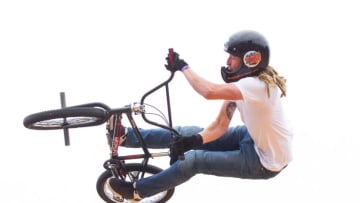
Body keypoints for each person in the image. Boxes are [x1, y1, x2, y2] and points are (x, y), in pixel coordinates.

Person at [107, 30, 293, 199]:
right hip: (252, 137)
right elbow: (221, 124)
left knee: (195, 161)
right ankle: (126, 137)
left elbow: (208, 91)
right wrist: (193, 140)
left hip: (264, 161)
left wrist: (183, 66)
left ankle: (137, 191)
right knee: (185, 132)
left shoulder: (257, 86)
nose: (228, 62)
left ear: (250, 59)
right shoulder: (244, 86)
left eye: (233, 57)